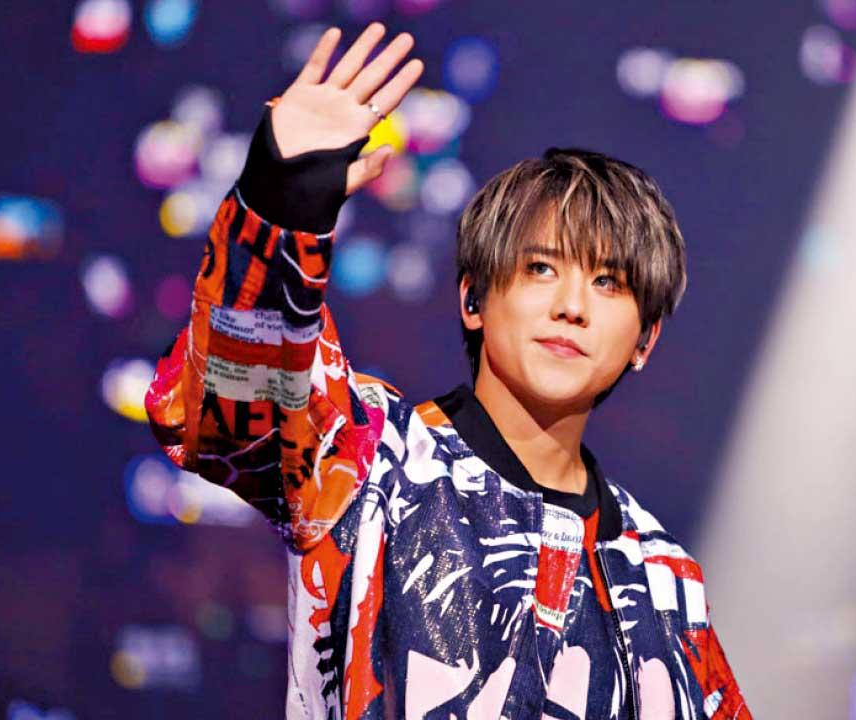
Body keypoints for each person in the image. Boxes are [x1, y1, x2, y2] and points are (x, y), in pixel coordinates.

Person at [145, 23, 750, 719]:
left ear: (644, 340)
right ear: (473, 299)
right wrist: (280, 203)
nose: (572, 306)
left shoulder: (665, 579)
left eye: (609, 283)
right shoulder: (370, 461)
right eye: (541, 268)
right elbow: (229, 403)